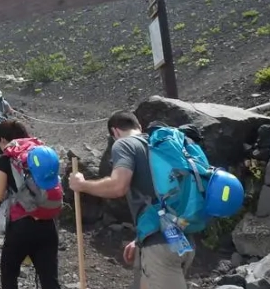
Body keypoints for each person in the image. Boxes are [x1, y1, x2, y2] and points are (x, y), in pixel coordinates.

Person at [68, 111, 193, 289]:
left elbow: (118, 186)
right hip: (182, 239)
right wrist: (141, 238)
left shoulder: (124, 144)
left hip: (160, 246)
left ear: (115, 131)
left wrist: (82, 185)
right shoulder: (160, 146)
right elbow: (163, 198)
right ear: (139, 127)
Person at [0, 120, 62, 289]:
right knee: (49, 279)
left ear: (2, 140)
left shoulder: (5, 160)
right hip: (48, 222)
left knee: (9, 274)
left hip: (21, 226)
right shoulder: (40, 154)